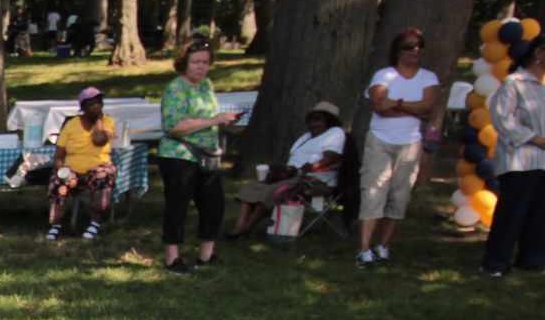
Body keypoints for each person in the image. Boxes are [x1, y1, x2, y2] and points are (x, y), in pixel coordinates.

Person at [356, 27, 440, 268]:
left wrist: (398, 103)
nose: (415, 50)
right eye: (408, 46)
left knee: (399, 194)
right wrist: (412, 106)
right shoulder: (383, 75)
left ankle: (383, 246)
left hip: (410, 143)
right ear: (397, 51)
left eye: (419, 45)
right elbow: (380, 106)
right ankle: (364, 249)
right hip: (380, 140)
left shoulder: (429, 78)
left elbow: (428, 108)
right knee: (374, 190)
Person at [157, 38, 240, 274]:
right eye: (196, 62)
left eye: (205, 62)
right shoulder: (176, 88)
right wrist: (214, 120)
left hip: (207, 154)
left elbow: (208, 115)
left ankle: (206, 254)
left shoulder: (206, 85)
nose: (201, 67)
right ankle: (173, 258)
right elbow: (173, 126)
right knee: (177, 207)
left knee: (214, 205)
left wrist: (225, 120)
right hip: (179, 154)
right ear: (184, 63)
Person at [226, 101, 346, 239]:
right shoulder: (306, 137)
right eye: (311, 119)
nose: (313, 123)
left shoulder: (335, 133)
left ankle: (247, 229)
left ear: (329, 121)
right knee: (253, 185)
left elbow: (330, 157)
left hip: (311, 178)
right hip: (290, 173)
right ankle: (239, 226)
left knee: (271, 191)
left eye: (318, 119)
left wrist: (311, 167)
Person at [483, 36, 545, 278]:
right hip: (521, 159)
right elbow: (503, 118)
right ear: (538, 52)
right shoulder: (514, 82)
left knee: (539, 215)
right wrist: (535, 139)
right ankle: (495, 262)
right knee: (513, 213)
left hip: (543, 162)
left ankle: (532, 259)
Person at [47, 87, 118, 241]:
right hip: (73, 167)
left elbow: (99, 140)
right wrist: (62, 172)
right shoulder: (72, 124)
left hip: (98, 164)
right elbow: (59, 154)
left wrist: (98, 120)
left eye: (99, 102)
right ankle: (56, 223)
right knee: (58, 182)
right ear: (83, 107)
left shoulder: (107, 121)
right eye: (91, 103)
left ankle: (96, 221)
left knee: (103, 175)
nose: (96, 106)